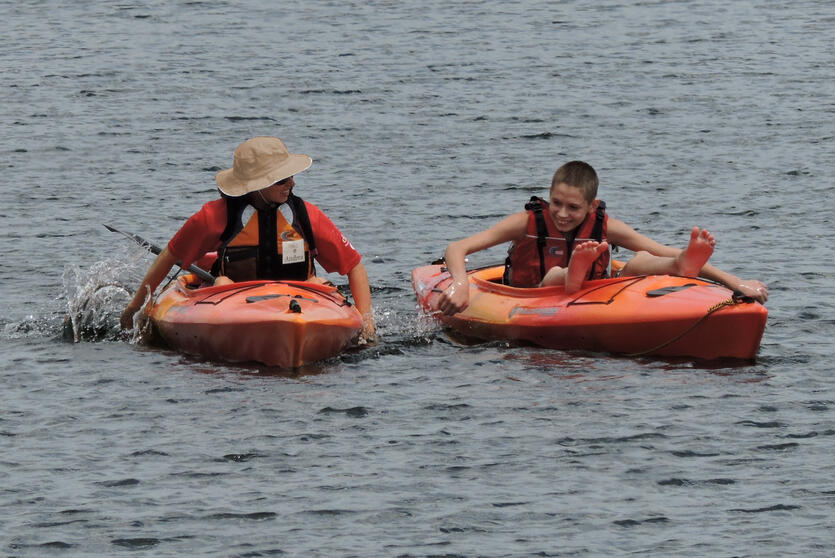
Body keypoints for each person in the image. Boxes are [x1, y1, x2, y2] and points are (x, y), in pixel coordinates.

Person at [121, 136, 375, 342]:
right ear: (257, 184)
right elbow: (171, 256)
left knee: (318, 282)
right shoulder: (215, 216)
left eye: (291, 176)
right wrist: (135, 308)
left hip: (301, 300)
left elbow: (354, 266)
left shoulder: (307, 216)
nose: (292, 183)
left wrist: (367, 323)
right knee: (221, 281)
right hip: (232, 297)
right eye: (282, 179)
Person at [437, 160, 768, 316]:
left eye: (573, 208)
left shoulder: (605, 226)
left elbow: (659, 248)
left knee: (642, 260)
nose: (562, 214)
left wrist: (735, 282)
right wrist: (461, 284)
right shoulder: (526, 223)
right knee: (556, 275)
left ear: (592, 206)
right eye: (556, 203)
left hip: (592, 291)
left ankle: (677, 267)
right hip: (537, 291)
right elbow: (457, 248)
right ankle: (573, 272)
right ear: (548, 197)